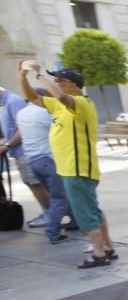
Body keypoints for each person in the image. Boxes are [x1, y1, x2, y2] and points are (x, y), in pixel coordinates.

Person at [17, 62, 116, 268]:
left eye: (58, 81)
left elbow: (61, 96)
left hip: (78, 168)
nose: (56, 84)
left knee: (84, 212)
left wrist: (39, 74)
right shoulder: (60, 105)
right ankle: (107, 247)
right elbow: (33, 97)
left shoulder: (80, 102)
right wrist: (22, 77)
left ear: (71, 84)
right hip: (71, 168)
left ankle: (99, 254)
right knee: (92, 209)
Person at [17, 88, 76, 244]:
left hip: (33, 160)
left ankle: (75, 221)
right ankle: (53, 231)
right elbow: (61, 130)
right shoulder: (44, 113)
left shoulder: (22, 113)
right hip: (48, 159)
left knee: (58, 193)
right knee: (59, 197)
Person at [0, 85, 51, 228]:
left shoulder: (13, 101)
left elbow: (22, 128)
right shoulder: (5, 103)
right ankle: (47, 212)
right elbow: (12, 129)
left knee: (36, 184)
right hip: (18, 151)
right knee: (31, 183)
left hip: (25, 151)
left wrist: (7, 145)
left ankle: (49, 214)